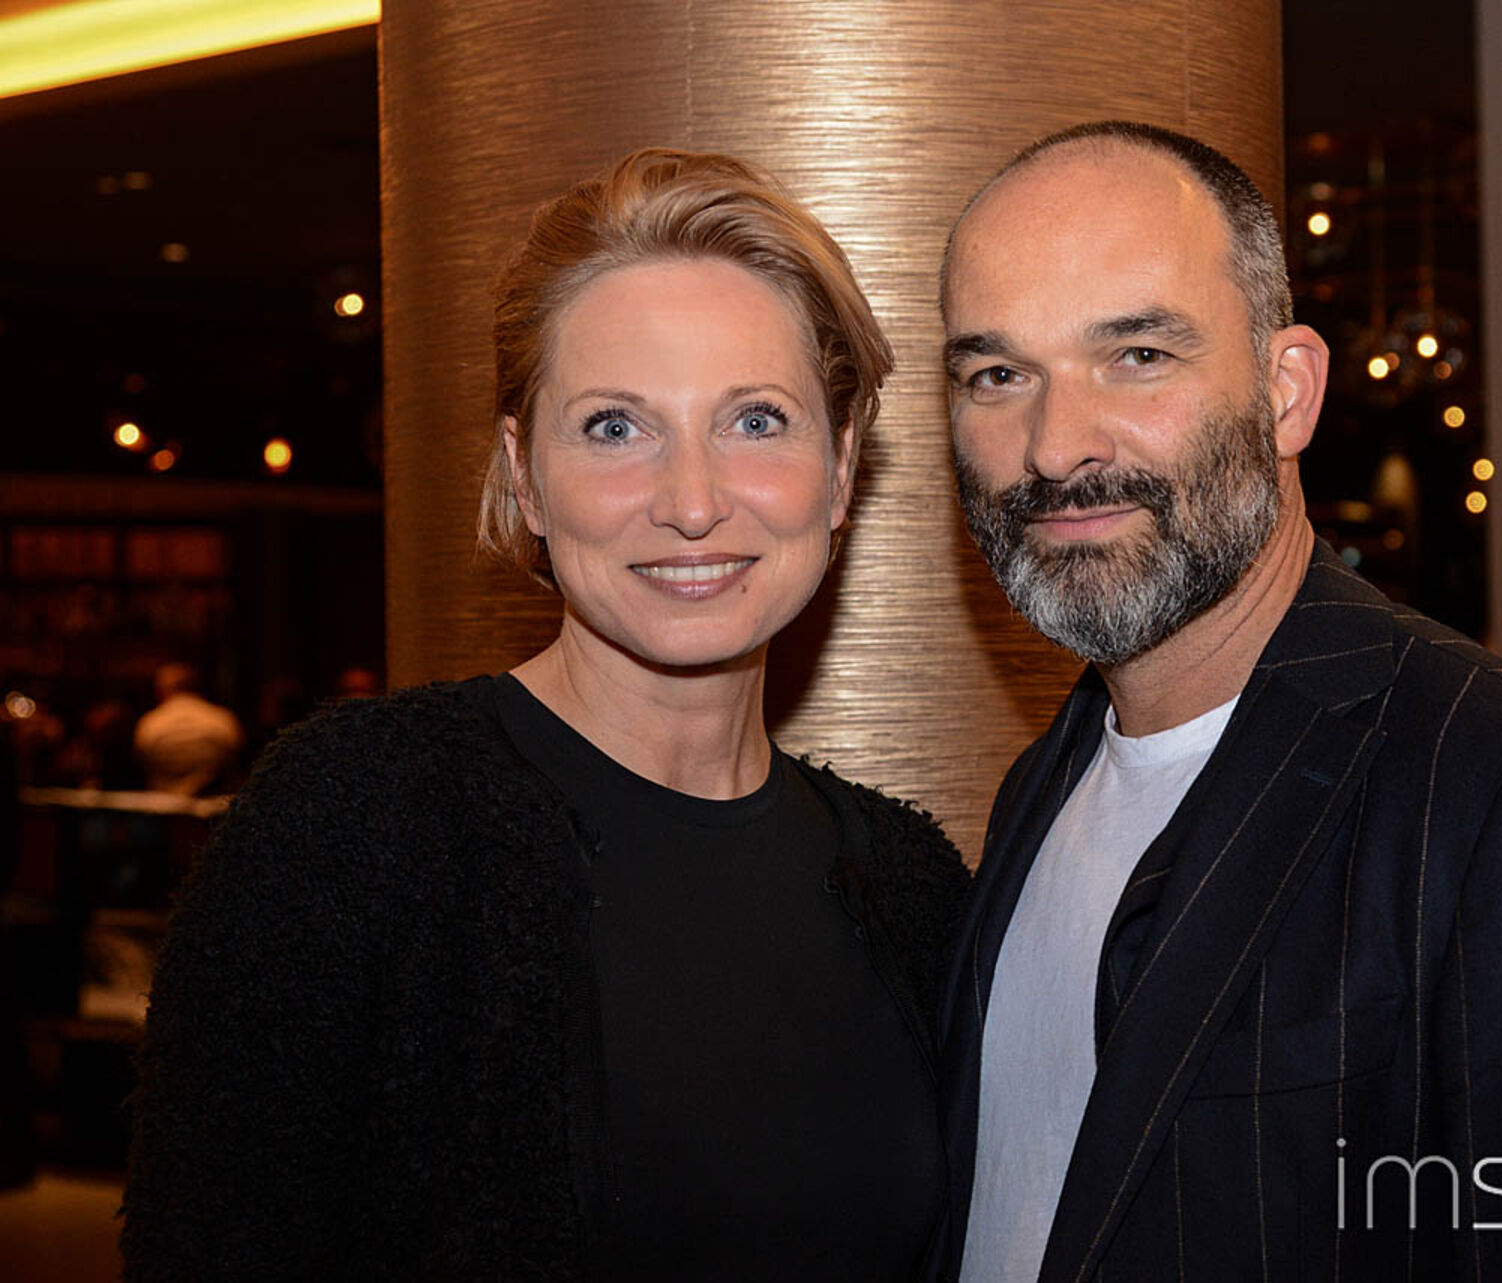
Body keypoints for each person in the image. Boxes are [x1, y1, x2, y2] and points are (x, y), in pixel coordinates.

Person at [935, 121, 1502, 1281]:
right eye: (998, 374)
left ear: (1287, 391)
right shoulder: (1046, 783)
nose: (1055, 445)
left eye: (1138, 355)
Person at [121, 148, 969, 1280]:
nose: (692, 501)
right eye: (616, 427)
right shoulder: (354, 824)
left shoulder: (912, 888)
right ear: (524, 474)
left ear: (842, 463)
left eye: (756, 420)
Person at [132, 662, 244, 795]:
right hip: (213, 801)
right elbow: (235, 755)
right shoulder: (222, 719)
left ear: (160, 691)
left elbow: (142, 759)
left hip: (164, 801)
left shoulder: (150, 723)